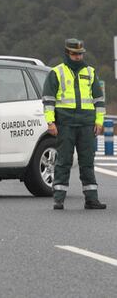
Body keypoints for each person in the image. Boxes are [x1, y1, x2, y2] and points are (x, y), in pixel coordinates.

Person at [42, 38, 106, 210]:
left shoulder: (91, 72)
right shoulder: (57, 72)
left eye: (80, 54)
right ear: (67, 53)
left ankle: (91, 200)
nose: (78, 57)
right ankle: (59, 199)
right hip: (65, 123)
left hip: (86, 124)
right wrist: (51, 122)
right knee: (63, 161)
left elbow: (99, 101)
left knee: (87, 162)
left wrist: (99, 122)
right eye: (74, 54)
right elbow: (48, 100)